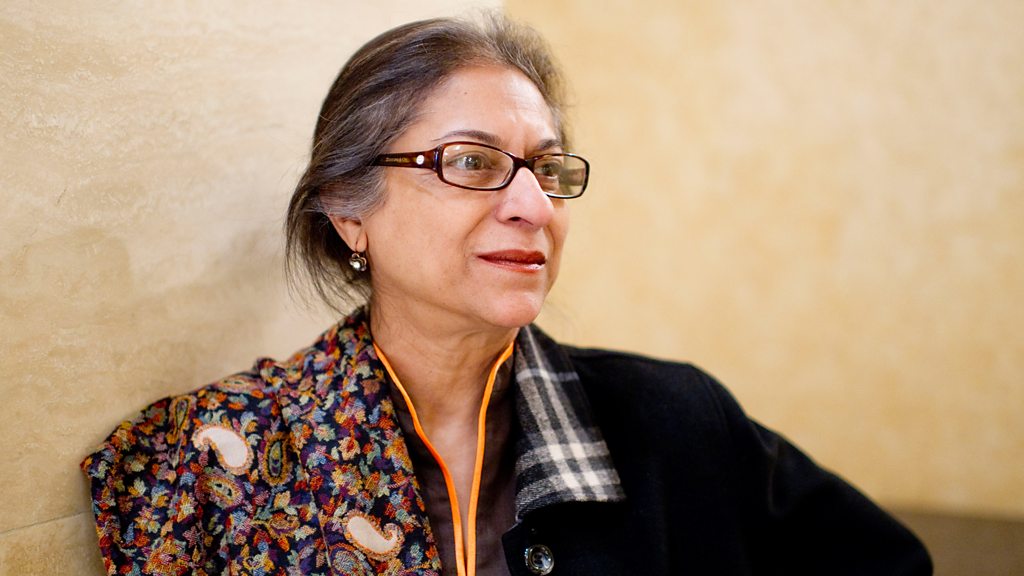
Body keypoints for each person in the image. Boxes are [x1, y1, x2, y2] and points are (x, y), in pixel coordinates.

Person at [81, 14, 932, 576]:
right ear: (348, 212)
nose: (533, 205)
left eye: (547, 169)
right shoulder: (212, 459)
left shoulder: (674, 423)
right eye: (471, 162)